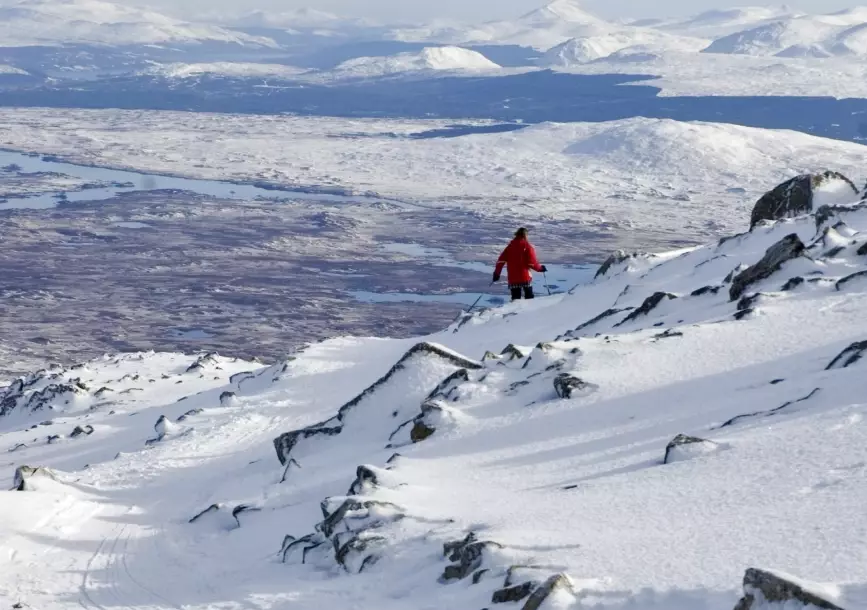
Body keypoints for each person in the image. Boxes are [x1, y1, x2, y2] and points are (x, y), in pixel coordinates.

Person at [493, 227, 547, 301]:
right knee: (529, 298)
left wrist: (496, 274)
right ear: (525, 235)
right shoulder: (528, 247)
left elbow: (500, 261)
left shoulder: (510, 247)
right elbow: (531, 263)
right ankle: (530, 312)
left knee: (515, 299)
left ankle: (515, 312)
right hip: (525, 276)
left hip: (513, 277)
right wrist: (540, 268)